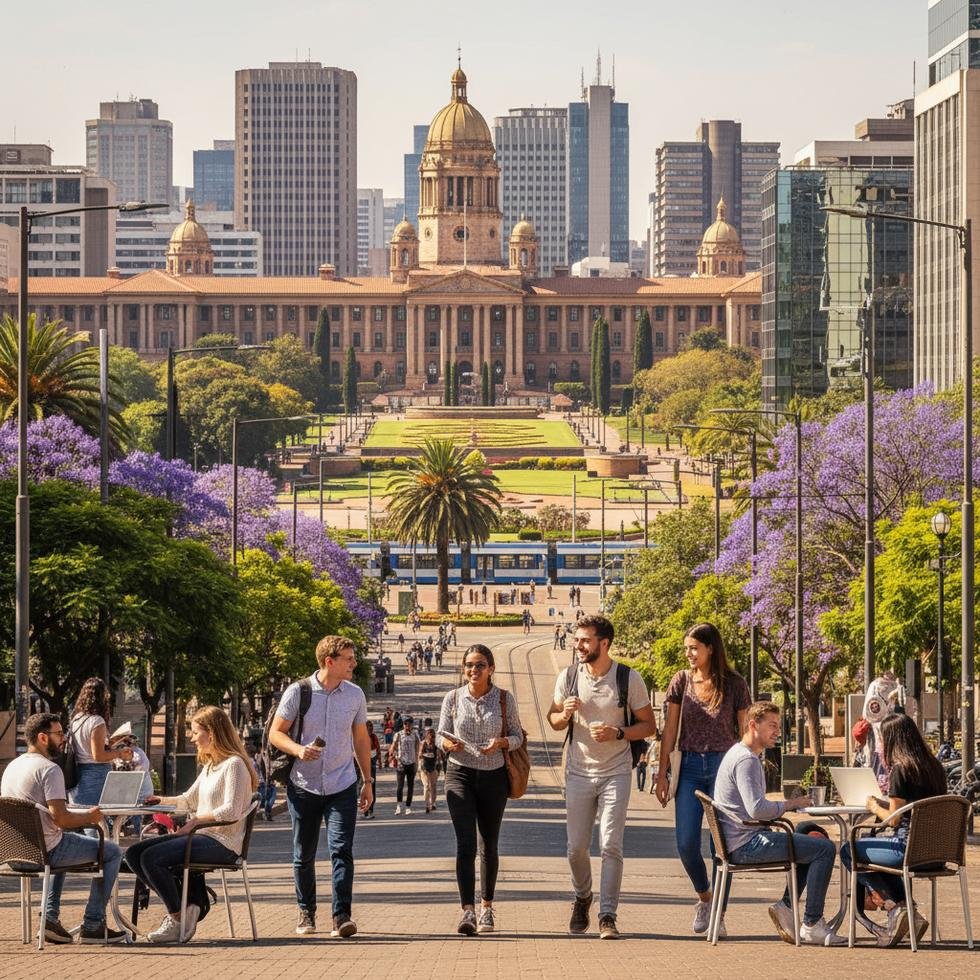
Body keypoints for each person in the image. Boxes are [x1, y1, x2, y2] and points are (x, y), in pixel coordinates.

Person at [548, 615, 657, 939]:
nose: (578, 645)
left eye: (585, 640)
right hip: (578, 772)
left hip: (616, 772)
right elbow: (553, 719)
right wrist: (565, 713)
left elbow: (649, 726)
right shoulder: (568, 677)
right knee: (575, 849)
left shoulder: (628, 678)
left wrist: (618, 732)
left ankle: (607, 915)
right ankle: (583, 896)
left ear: (604, 643)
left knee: (611, 844)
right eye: (577, 640)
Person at [713, 701, 845, 946]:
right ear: (753, 725)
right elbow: (757, 809)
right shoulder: (746, 760)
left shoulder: (738, 754)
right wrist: (790, 804)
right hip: (747, 845)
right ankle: (812, 924)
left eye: (778, 725)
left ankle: (786, 906)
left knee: (807, 831)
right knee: (825, 849)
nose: (777, 731)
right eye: (772, 725)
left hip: (738, 839)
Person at [269, 635, 374, 938]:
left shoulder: (354, 695)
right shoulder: (298, 692)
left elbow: (360, 739)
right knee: (304, 853)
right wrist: (298, 750)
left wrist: (367, 781)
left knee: (342, 850)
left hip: (343, 783)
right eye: (348, 659)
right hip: (304, 785)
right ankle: (306, 912)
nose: (354, 663)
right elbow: (276, 733)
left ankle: (341, 916)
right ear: (330, 661)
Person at [126, 706, 257, 944]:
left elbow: (231, 810)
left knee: (151, 858)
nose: (192, 738)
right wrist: (159, 800)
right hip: (200, 837)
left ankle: (178, 918)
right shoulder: (210, 767)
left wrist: (195, 821)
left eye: (196, 732)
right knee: (134, 854)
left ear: (212, 733)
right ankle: (189, 906)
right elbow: (188, 800)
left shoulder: (234, 765)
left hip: (223, 843)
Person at [654, 623, 750, 936]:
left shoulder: (735, 684)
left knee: (722, 846)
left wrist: (749, 772)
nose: (689, 654)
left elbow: (746, 733)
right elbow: (670, 730)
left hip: (725, 767)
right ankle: (705, 897)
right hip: (690, 766)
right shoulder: (681, 681)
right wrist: (662, 773)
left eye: (694, 648)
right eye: (687, 648)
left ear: (710, 648)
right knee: (686, 843)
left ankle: (718, 913)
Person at [1, 712, 126, 944]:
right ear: (42, 737)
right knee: (112, 851)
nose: (64, 739)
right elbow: (61, 819)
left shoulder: (12, 767)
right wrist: (90, 817)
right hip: (46, 852)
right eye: (58, 734)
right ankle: (93, 924)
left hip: (16, 854)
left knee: (65, 839)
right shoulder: (49, 770)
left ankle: (49, 918)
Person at [840, 712, 947, 947]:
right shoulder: (935, 767)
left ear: (891, 739)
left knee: (849, 850)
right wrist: (885, 804)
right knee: (878, 854)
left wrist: (873, 807)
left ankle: (895, 907)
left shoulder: (901, 769)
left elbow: (894, 820)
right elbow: (911, 806)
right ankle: (909, 913)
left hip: (908, 850)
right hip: (937, 853)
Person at [439, 643, 524, 936]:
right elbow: (440, 734)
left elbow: (517, 736)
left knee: (488, 843)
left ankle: (486, 905)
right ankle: (468, 911)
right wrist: (447, 743)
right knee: (466, 844)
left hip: (493, 777)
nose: (473, 670)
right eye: (469, 665)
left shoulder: (504, 698)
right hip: (459, 774)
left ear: (491, 669)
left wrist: (501, 743)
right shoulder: (452, 698)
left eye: (480, 665)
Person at [68, 677, 133, 810]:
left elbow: (87, 748)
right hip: (96, 774)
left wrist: (110, 744)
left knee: (82, 815)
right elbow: (98, 756)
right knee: (97, 817)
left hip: (78, 772)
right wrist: (119, 753)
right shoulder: (97, 721)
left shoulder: (77, 719)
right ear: (102, 697)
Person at [391, 716, 421, 814]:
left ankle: (408, 806)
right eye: (405, 723)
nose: (407, 725)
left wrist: (418, 762)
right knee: (400, 786)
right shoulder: (398, 734)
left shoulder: (415, 734)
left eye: (409, 723)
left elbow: (418, 747)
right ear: (403, 724)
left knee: (410, 786)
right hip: (401, 763)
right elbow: (393, 746)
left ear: (412, 724)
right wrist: (393, 754)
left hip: (411, 763)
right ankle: (399, 805)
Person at [419, 728, 441, 813]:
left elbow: (439, 756)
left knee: (433, 785)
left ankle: (433, 803)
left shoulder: (436, 744)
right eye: (431, 737)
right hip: (424, 767)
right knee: (427, 785)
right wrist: (426, 755)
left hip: (433, 767)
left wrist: (439, 762)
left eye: (433, 737)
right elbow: (420, 755)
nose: (432, 739)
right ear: (427, 736)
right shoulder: (423, 743)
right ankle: (427, 804)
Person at [363, 721, 381, 819]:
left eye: (371, 726)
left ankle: (370, 810)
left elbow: (378, 749)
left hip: (372, 765)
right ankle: (365, 810)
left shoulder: (374, 737)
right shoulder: (361, 737)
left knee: (372, 787)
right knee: (363, 787)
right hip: (362, 767)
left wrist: (380, 762)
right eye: (368, 726)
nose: (370, 728)